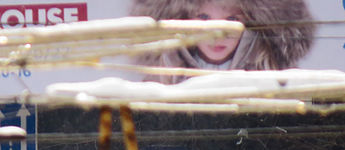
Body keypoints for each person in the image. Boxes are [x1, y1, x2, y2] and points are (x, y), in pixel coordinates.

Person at [130, 0, 314, 83]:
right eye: (203, 17)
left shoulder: (280, 79)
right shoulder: (159, 79)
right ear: (182, 19)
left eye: (232, 19)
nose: (217, 34)